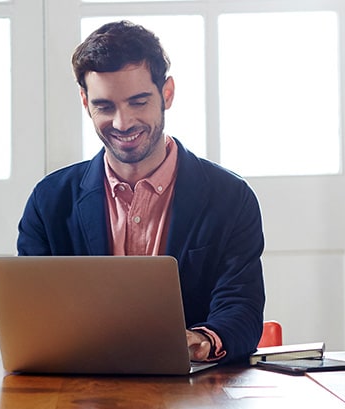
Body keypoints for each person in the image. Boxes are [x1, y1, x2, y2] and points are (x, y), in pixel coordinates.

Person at [17, 20, 265, 364]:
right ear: (85, 101)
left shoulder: (230, 197)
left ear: (167, 93)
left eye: (138, 101)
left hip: (194, 396)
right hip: (80, 392)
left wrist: (203, 339)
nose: (122, 123)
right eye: (105, 106)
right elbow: (32, 315)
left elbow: (242, 309)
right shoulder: (49, 200)